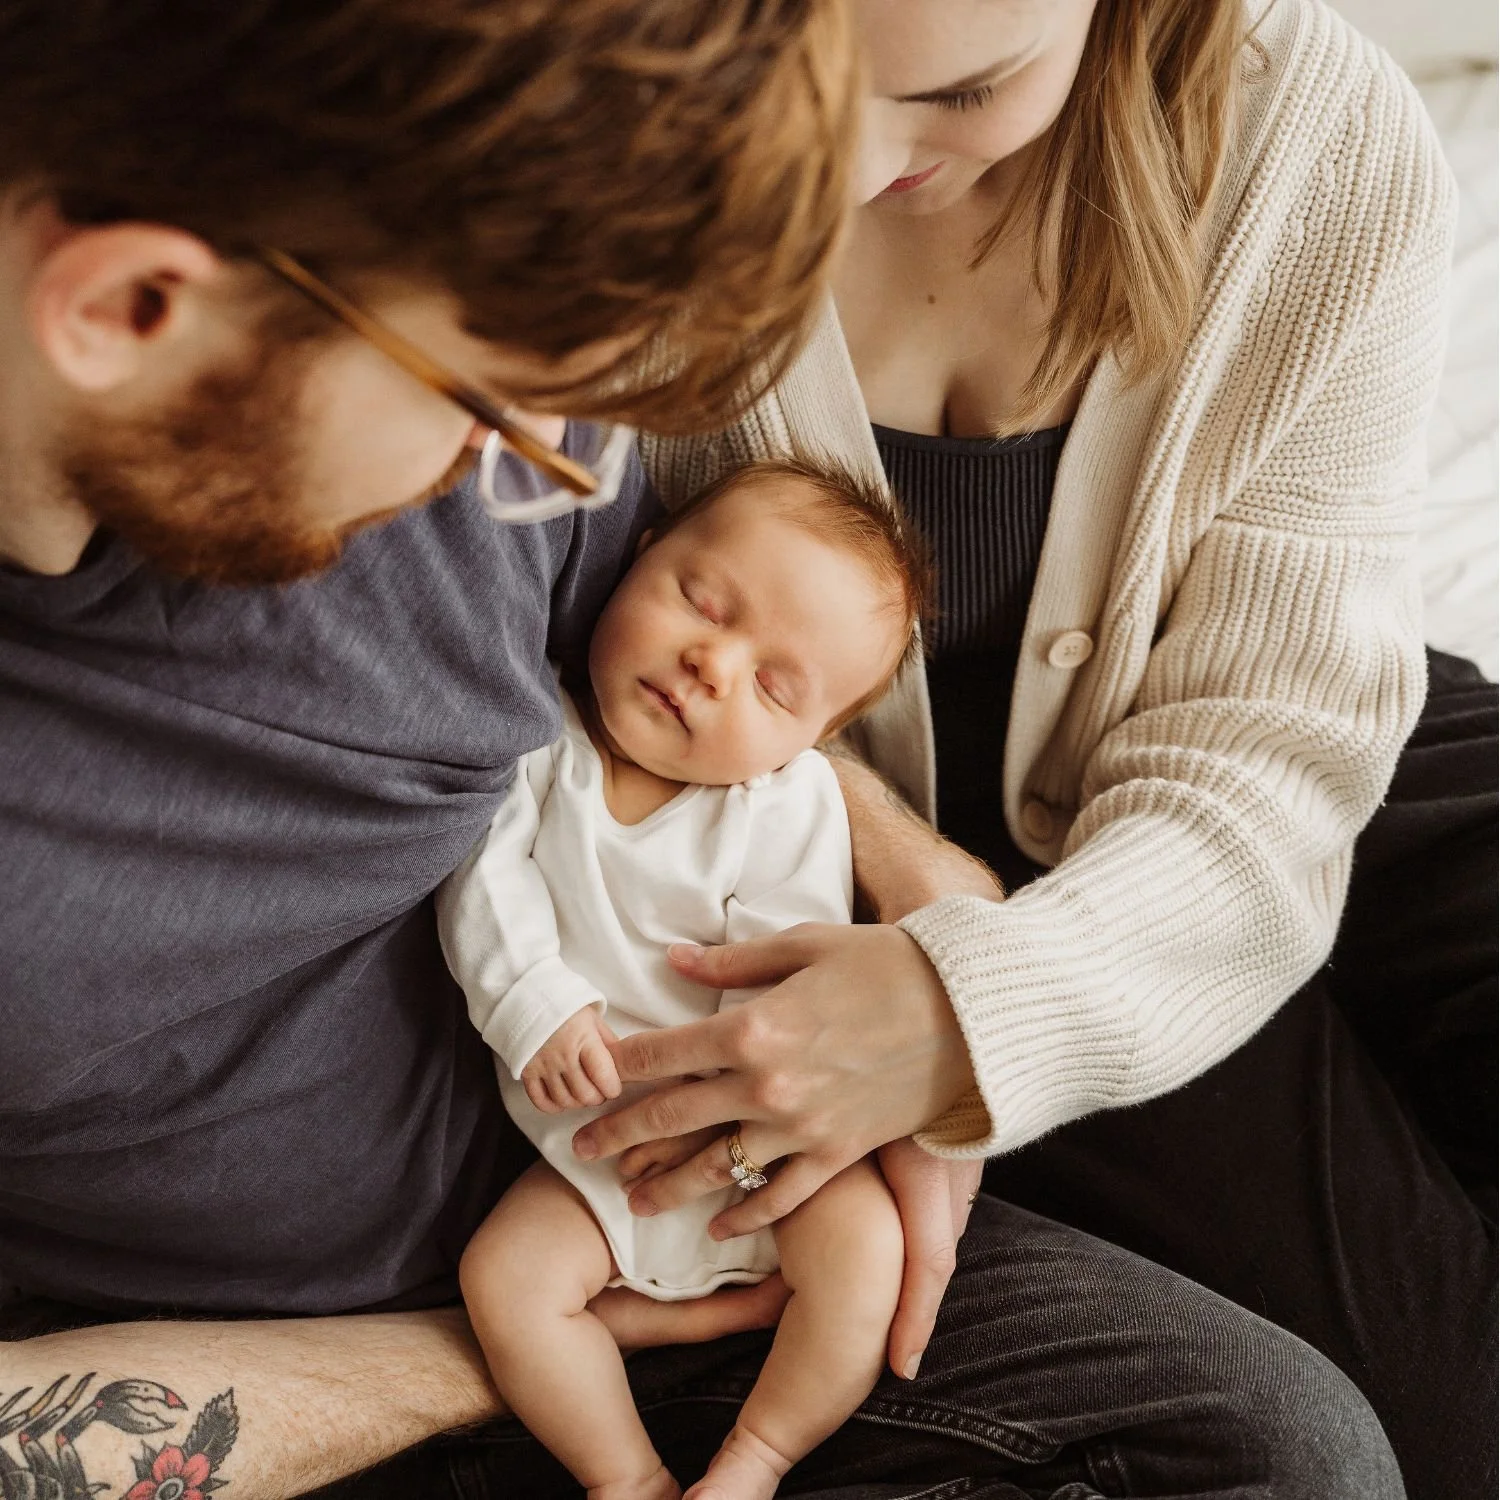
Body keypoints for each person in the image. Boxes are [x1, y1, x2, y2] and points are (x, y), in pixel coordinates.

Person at [0, 1, 1411, 1497]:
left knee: (1271, 1453)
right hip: (262, 1376)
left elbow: (655, 656)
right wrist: (491, 1348)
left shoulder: (442, 328)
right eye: (482, 403)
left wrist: (919, 889)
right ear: (128, 307)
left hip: (668, 1212)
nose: (526, 463)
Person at [635, 1, 1497, 1497]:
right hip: (793, 783)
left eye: (961, 92)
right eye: (793, 84)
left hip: (1238, 702)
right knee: (1447, 1429)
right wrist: (945, 953)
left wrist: (979, 1007)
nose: (842, 168)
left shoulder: (1317, 136)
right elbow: (531, 626)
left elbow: (1277, 736)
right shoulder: (584, 100)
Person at [442, 460, 923, 1500]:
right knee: (506, 1282)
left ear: (814, 738)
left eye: (773, 685)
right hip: (591, 1157)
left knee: (864, 1254)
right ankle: (628, 1478)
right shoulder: (536, 742)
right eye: (701, 602)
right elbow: (483, 887)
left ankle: (756, 1458)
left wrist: (752, 1113)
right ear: (638, 555)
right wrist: (535, 1003)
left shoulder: (783, 807)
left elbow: (793, 976)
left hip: (765, 1148)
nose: (711, 662)